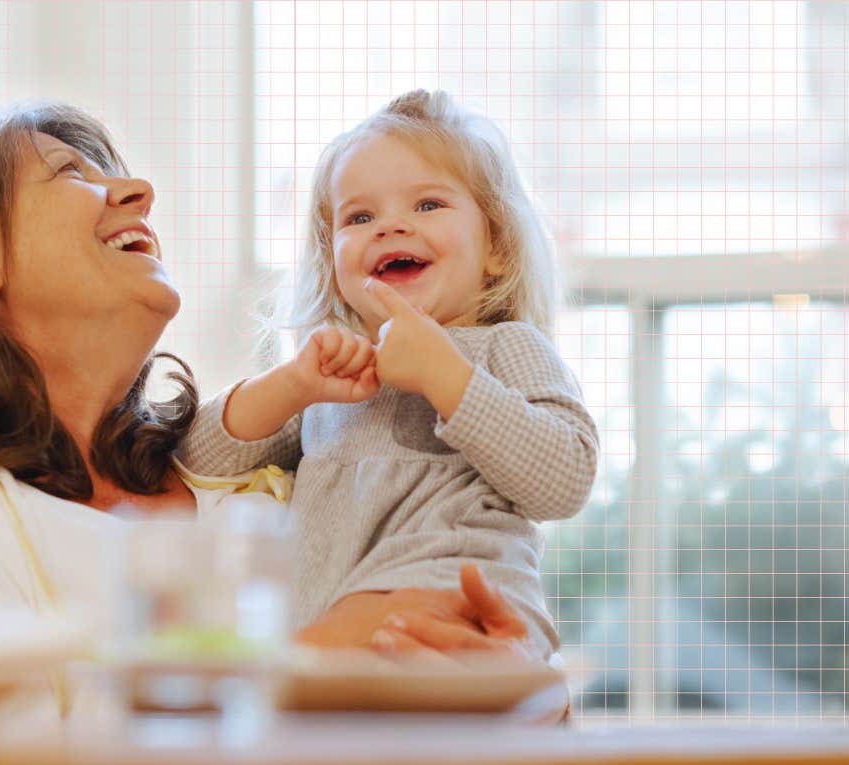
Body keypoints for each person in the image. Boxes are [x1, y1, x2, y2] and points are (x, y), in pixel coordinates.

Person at [0, 100, 536, 715]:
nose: (138, 190)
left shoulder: (249, 471)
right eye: (70, 174)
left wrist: (524, 700)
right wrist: (317, 667)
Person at [178, 89, 600, 661]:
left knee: (279, 681)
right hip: (334, 619)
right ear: (333, 263)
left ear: (495, 245)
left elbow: (563, 480)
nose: (391, 226)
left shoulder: (505, 347)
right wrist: (290, 386)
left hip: (455, 597)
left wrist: (447, 375)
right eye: (360, 216)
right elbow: (198, 458)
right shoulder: (337, 376)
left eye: (428, 205)